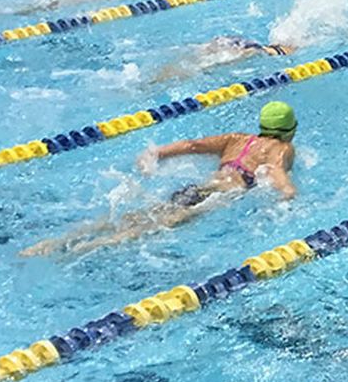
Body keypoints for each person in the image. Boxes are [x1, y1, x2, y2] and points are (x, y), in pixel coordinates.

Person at [22, 103, 299, 257]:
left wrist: (155, 153)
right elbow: (275, 169)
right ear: (290, 131)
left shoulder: (237, 139)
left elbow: (192, 145)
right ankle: (82, 251)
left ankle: (51, 244)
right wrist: (288, 192)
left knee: (135, 217)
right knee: (145, 230)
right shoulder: (283, 148)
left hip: (195, 188)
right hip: (217, 195)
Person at [153, 35, 296, 83]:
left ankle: (155, 79)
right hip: (249, 49)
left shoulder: (282, 42)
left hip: (236, 41)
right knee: (203, 66)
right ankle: (154, 81)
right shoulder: (290, 51)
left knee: (198, 60)